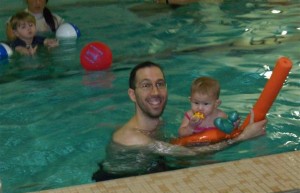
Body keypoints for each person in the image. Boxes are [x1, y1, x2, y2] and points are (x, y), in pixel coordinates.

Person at [92, 61, 267, 181]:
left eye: (160, 84)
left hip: (152, 168)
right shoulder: (133, 138)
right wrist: (242, 138)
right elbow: (191, 154)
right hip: (120, 182)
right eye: (146, 85)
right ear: (132, 95)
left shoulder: (158, 123)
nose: (155, 92)